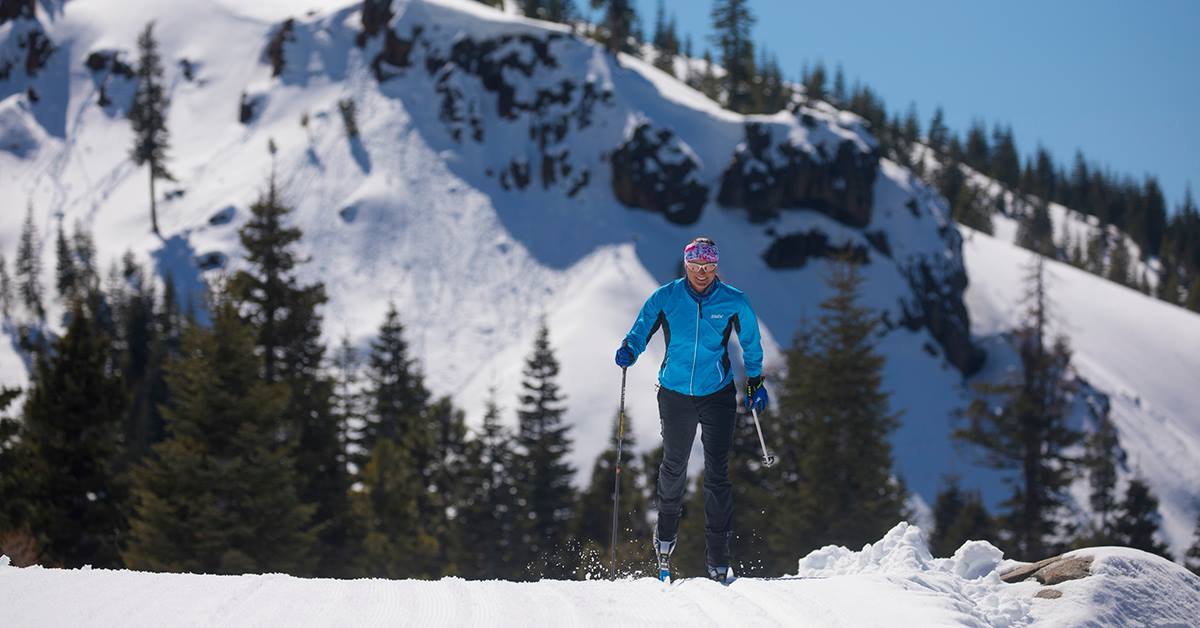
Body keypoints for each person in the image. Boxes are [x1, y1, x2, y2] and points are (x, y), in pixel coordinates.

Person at [615, 237, 768, 583]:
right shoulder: (666, 297)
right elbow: (642, 329)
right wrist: (629, 349)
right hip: (675, 393)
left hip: (717, 394)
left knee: (717, 474)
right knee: (674, 466)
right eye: (696, 266)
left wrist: (755, 381)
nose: (702, 273)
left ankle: (718, 556)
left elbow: (751, 343)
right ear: (686, 265)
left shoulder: (734, 301)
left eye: (709, 267)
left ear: (716, 267)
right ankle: (665, 539)